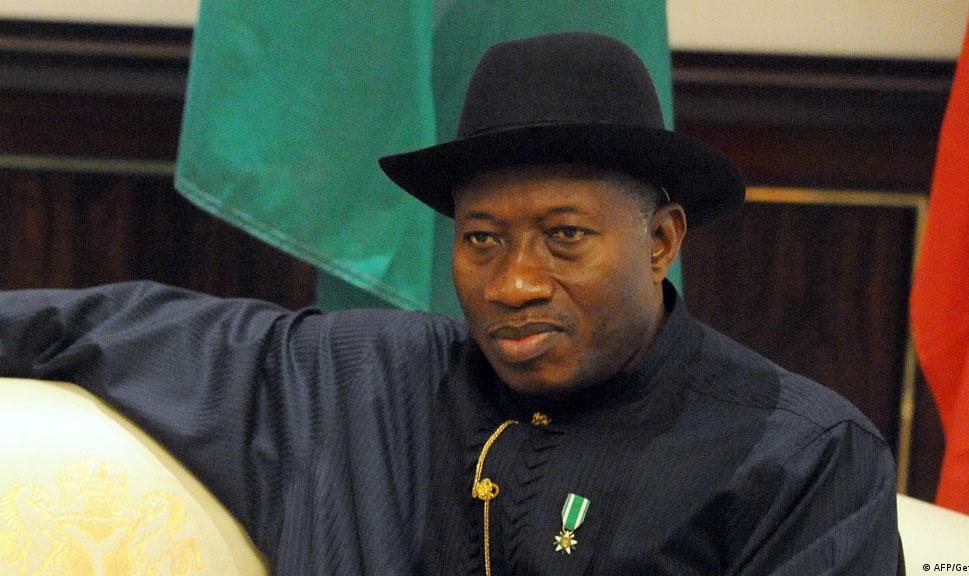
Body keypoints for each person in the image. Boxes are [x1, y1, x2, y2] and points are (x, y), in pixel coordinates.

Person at [0, 32, 903, 574]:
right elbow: (102, 328)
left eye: (564, 237)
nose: (513, 284)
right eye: (482, 240)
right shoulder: (362, 383)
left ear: (662, 240)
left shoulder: (798, 454)